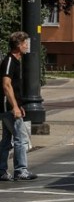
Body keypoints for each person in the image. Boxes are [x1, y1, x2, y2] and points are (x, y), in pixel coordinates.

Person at [0, 31, 38, 182]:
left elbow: (14, 87)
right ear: (17, 45)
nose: (27, 46)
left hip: (10, 106)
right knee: (20, 138)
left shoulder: (16, 61)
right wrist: (14, 107)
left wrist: (19, 105)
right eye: (25, 43)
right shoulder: (9, 61)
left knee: (6, 140)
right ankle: (21, 170)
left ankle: (2, 170)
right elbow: (6, 85)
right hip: (7, 107)